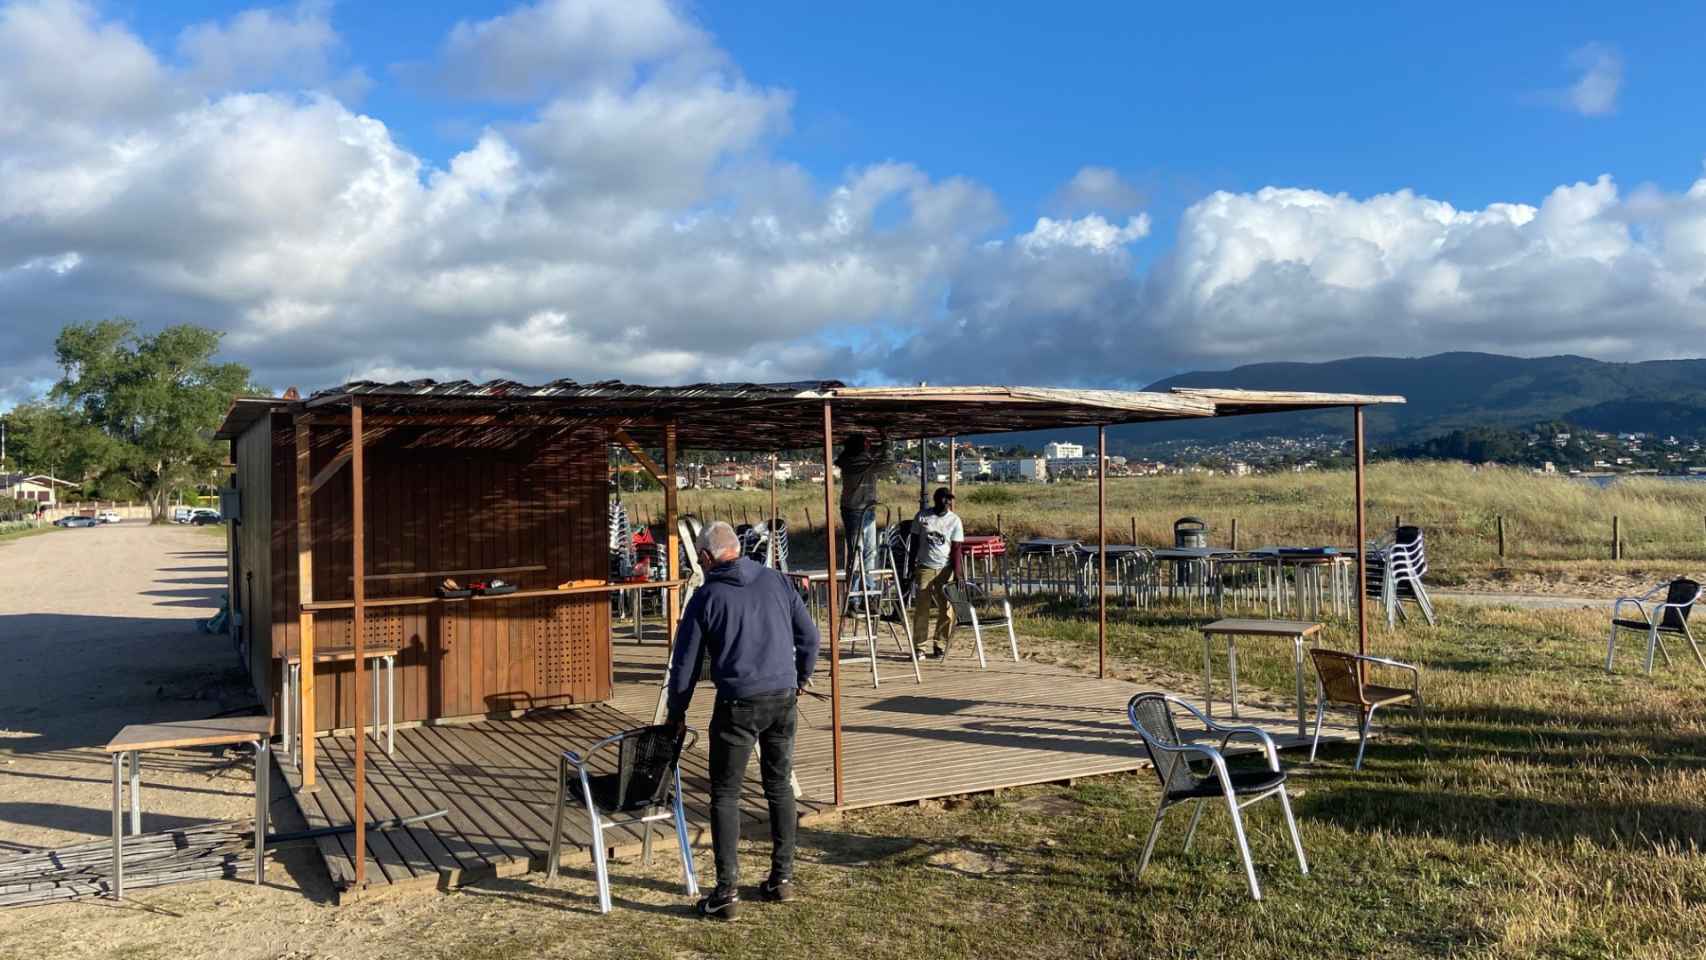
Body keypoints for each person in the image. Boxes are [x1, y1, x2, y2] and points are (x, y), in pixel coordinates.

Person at [665, 521, 820, 920]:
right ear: (738, 549)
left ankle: (726, 892)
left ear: (704, 558)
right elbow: (811, 638)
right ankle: (781, 878)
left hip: (737, 703)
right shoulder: (777, 581)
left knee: (726, 794)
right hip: (783, 698)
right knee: (779, 785)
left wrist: (676, 715)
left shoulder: (705, 597)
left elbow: (683, 667)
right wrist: (801, 677)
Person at [910, 486, 965, 659]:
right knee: (922, 609)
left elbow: (956, 549)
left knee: (947, 608)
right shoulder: (922, 517)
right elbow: (913, 543)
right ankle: (919, 647)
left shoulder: (954, 520)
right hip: (925, 567)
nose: (947, 502)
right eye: (944, 498)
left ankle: (939, 644)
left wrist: (958, 573)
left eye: (950, 499)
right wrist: (911, 566)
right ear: (935, 499)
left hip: (945, 568)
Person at [833, 430, 891, 580]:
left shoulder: (850, 459)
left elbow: (874, 452)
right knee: (861, 553)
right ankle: (859, 596)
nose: (869, 445)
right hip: (858, 510)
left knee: (862, 552)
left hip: (859, 509)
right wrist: (886, 441)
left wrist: (882, 443)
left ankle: (864, 593)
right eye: (866, 443)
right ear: (861, 447)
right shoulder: (861, 463)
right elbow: (887, 462)